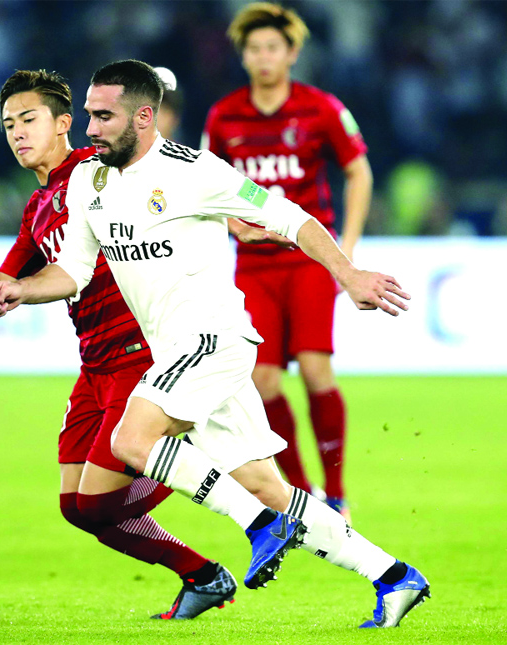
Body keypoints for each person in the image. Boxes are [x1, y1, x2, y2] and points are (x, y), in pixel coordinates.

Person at [0, 60, 430, 629]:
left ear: (143, 118)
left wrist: (349, 274)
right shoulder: (90, 184)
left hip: (212, 341)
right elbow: (70, 273)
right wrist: (20, 288)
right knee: (269, 484)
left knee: (132, 437)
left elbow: (289, 218)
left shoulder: (193, 170)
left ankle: (257, 527)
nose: (90, 130)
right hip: (179, 355)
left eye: (103, 117)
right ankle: (394, 577)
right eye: (90, 116)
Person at [0, 69, 238, 620]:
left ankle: (208, 460)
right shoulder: (37, 208)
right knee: (77, 508)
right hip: (94, 368)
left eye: (28, 120)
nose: (17, 133)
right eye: (8, 125)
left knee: (98, 501)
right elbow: (3, 288)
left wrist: (234, 216)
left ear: (65, 123)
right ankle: (204, 574)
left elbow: (165, 182)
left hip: (142, 358)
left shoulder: (98, 175)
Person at [202, 3, 374, 522]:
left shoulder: (321, 108)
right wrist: (234, 226)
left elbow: (359, 172)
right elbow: (206, 189)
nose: (263, 57)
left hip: (307, 261)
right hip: (254, 266)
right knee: (265, 383)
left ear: (292, 53)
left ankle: (338, 491)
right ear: (244, 55)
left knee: (318, 369)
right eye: (254, 49)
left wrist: (346, 249)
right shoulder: (224, 115)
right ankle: (302, 495)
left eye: (272, 48)